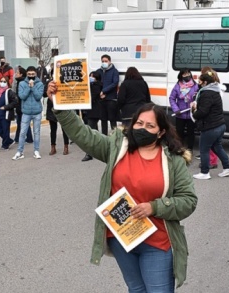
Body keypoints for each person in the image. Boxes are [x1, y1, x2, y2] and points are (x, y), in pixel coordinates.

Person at [47, 81, 197, 291]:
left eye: (150, 126)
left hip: (157, 242)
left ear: (161, 132)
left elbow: (189, 201)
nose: (143, 128)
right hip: (122, 237)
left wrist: (154, 207)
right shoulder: (117, 147)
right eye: (139, 123)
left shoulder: (174, 160)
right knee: (136, 290)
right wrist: (60, 106)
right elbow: (84, 135)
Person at [191, 71, 229, 180]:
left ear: (205, 82)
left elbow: (203, 112)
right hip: (220, 124)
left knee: (204, 149)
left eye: (200, 81)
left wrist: (194, 110)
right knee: (217, 147)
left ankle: (205, 172)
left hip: (210, 126)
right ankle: (228, 167)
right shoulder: (215, 91)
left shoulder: (206, 93)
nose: (198, 83)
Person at [12, 66, 44, 160]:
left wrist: (33, 87)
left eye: (32, 74)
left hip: (37, 112)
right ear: (26, 74)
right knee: (22, 132)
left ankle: (36, 151)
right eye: (29, 74)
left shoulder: (40, 84)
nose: (31, 76)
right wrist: (29, 88)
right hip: (26, 112)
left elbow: (38, 97)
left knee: (36, 132)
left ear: (35, 74)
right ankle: (19, 152)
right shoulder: (22, 83)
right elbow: (22, 96)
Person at [169, 69, 198, 152]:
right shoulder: (177, 86)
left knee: (191, 133)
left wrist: (195, 106)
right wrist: (176, 109)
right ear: (181, 75)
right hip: (180, 114)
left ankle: (190, 149)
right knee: (179, 133)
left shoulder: (195, 86)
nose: (187, 75)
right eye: (185, 74)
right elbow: (172, 98)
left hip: (191, 114)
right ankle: (180, 148)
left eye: (188, 73)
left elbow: (199, 98)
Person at [0, 76, 17, 151]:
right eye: (1, 81)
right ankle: (9, 141)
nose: (2, 83)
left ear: (7, 82)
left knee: (5, 130)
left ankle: (5, 145)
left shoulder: (9, 92)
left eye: (4, 81)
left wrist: (6, 107)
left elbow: (15, 102)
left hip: (5, 114)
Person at [82, 71, 103, 162]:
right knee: (95, 131)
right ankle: (100, 147)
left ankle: (89, 153)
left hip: (94, 111)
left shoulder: (96, 86)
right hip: (92, 110)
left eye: (92, 77)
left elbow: (92, 97)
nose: (90, 78)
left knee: (90, 132)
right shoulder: (93, 85)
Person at [97, 54, 119, 134]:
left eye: (106, 61)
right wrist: (100, 93)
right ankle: (104, 137)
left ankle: (115, 136)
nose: (104, 63)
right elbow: (97, 83)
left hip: (111, 99)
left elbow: (115, 83)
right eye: (102, 61)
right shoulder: (99, 71)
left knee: (112, 119)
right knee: (103, 119)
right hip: (101, 99)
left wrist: (104, 91)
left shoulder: (114, 71)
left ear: (110, 61)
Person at [13, 66, 33, 145]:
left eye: (17, 73)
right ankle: (18, 138)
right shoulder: (19, 81)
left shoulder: (22, 82)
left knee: (23, 122)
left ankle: (28, 138)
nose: (15, 74)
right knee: (20, 122)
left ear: (21, 74)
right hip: (20, 106)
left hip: (22, 106)